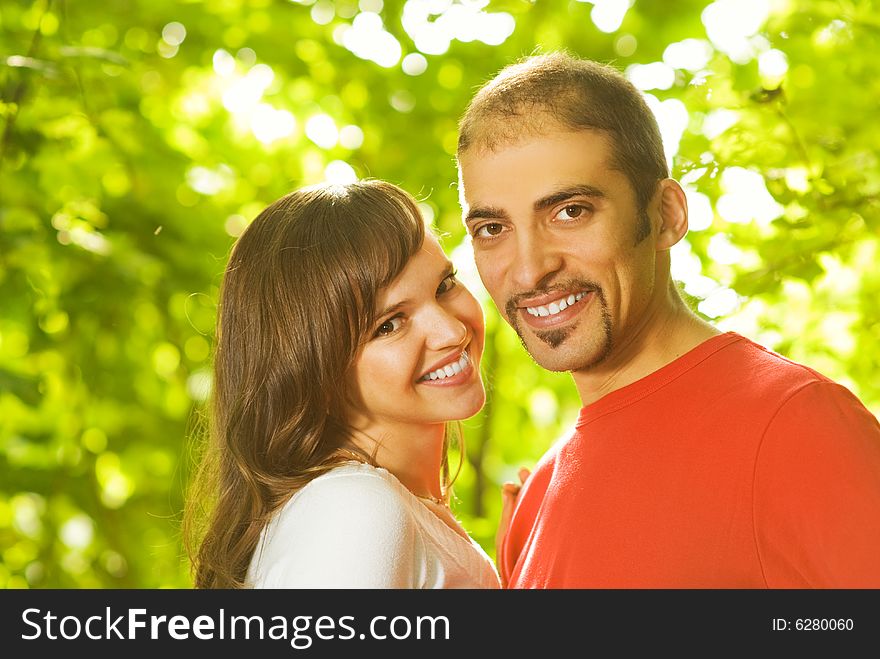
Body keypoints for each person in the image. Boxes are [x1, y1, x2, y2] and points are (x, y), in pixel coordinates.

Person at [455, 51, 880, 588]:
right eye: (493, 228)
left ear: (665, 215)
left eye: (570, 212)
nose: (530, 269)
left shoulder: (795, 427)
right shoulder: (536, 500)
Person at [185, 179, 501, 589]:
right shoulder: (356, 510)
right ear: (312, 369)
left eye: (443, 286)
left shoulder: (368, 507)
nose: (451, 331)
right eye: (388, 324)